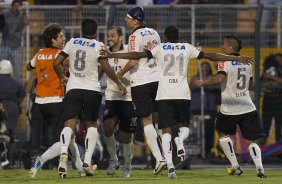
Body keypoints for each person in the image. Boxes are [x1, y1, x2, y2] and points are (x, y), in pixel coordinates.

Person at [100, 26, 254, 179]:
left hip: (164, 95)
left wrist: (113, 53)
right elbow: (211, 56)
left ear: (165, 38)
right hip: (182, 94)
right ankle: (180, 140)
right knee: (183, 127)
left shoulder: (159, 48)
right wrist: (235, 58)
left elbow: (137, 55)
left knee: (165, 131)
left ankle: (170, 166)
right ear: (178, 36)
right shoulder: (186, 47)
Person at [53, 18, 126, 178]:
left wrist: (61, 78)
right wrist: (119, 83)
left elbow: (56, 63)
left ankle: (63, 157)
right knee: (92, 124)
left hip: (73, 88)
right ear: (96, 31)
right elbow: (105, 68)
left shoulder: (72, 42)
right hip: (92, 90)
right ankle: (87, 161)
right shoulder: (99, 45)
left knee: (69, 123)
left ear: (81, 29)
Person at [192, 34, 266, 178]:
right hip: (247, 107)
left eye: (223, 45)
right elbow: (249, 84)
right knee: (251, 141)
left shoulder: (224, 61)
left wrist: (203, 82)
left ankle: (235, 166)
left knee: (220, 132)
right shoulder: (248, 63)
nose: (221, 46)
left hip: (229, 109)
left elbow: (219, 79)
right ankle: (260, 168)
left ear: (230, 47)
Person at [27, 23, 85, 178]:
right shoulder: (60, 55)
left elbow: (28, 66)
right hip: (56, 101)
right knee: (63, 139)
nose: (64, 38)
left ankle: (80, 168)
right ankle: (41, 159)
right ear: (52, 40)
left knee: (69, 136)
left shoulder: (39, 53)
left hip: (39, 104)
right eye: (60, 36)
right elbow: (77, 66)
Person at [118, 6, 166, 175]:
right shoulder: (154, 33)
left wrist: (119, 74)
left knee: (146, 121)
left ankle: (159, 159)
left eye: (128, 17)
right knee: (159, 120)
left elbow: (132, 60)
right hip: (157, 79)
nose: (126, 20)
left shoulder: (134, 36)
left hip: (142, 81)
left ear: (136, 20)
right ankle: (167, 156)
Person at [103, 26, 137, 177]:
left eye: (112, 35)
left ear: (120, 37)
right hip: (111, 96)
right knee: (108, 127)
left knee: (125, 136)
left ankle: (128, 166)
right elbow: (98, 71)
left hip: (128, 97)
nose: (109, 38)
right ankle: (113, 159)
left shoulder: (129, 50)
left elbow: (134, 63)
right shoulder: (104, 53)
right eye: (108, 35)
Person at [0, 0, 28, 82]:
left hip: (17, 47)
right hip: (5, 46)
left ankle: (17, 92)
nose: (16, 8)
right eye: (15, 6)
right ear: (11, 6)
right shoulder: (5, 14)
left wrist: (23, 12)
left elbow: (27, 22)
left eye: (18, 6)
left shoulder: (22, 15)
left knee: (17, 72)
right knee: (1, 68)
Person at [0, 59, 25, 141]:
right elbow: (22, 95)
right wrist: (16, 104)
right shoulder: (16, 81)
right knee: (11, 131)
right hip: (11, 106)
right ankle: (11, 152)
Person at [261, 53, 282, 143]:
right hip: (268, 100)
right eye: (277, 60)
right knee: (265, 126)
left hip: (279, 100)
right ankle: (262, 150)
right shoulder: (268, 69)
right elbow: (261, 82)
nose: (278, 62)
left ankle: (279, 151)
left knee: (279, 127)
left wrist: (272, 77)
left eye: (280, 60)